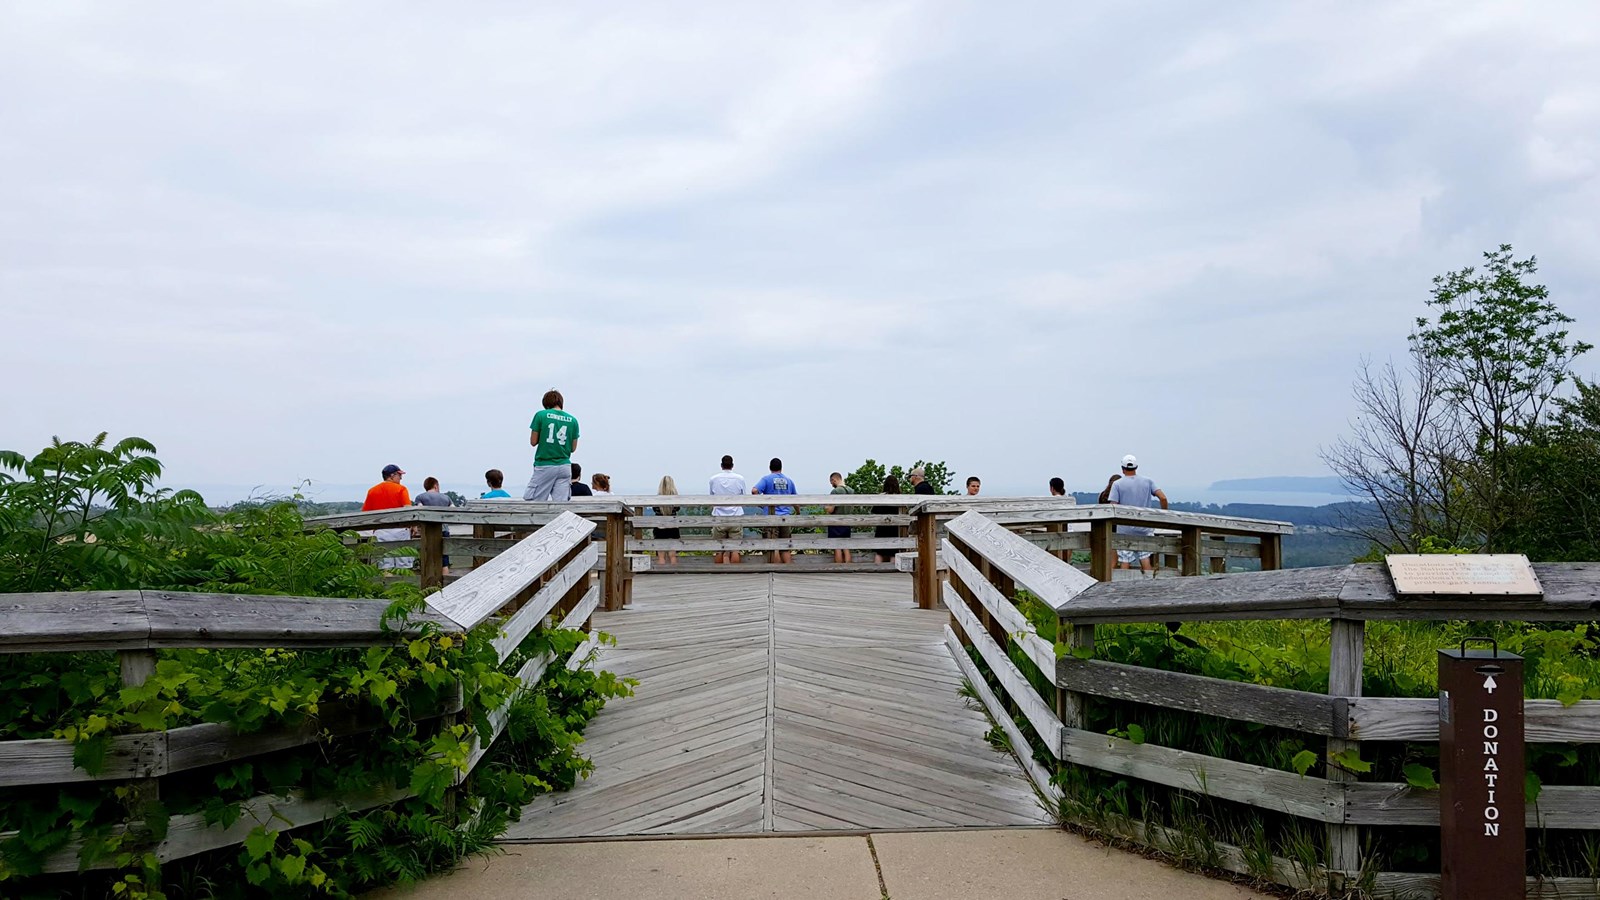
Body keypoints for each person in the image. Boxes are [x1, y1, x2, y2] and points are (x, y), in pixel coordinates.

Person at [1106, 454, 1170, 577]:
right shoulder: (1148, 481)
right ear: (1136, 467)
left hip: (1124, 529)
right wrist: (1164, 515)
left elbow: (1113, 506)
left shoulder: (1117, 484)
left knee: (1125, 559)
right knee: (1145, 557)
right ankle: (1150, 583)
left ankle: (1124, 584)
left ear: (1122, 468)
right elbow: (1163, 497)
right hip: (1144, 527)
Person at [524, 389, 579, 501]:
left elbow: (533, 441)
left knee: (534, 503)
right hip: (565, 466)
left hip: (545, 464)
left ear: (546, 403)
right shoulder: (573, 420)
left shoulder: (541, 415)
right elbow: (573, 448)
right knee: (561, 506)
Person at [362, 464, 412, 570]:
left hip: (381, 531)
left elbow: (365, 514)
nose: (401, 478)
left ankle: (386, 585)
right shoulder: (401, 489)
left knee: (384, 566)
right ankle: (403, 585)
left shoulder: (372, 491)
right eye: (399, 475)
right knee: (403, 565)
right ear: (392, 475)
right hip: (400, 530)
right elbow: (407, 510)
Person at [752, 458, 798, 564]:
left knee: (772, 547)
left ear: (770, 467)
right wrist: (797, 512)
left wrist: (761, 504)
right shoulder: (789, 481)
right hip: (785, 518)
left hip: (770, 518)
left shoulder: (766, 479)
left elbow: (754, 491)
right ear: (781, 468)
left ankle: (775, 572)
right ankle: (788, 570)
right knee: (785, 547)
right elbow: (795, 500)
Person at [709, 455, 746, 564]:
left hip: (719, 516)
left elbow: (711, 497)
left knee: (718, 550)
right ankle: (735, 574)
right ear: (732, 465)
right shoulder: (740, 479)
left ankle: (719, 573)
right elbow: (744, 497)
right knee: (735, 549)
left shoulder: (713, 479)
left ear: (721, 465)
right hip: (736, 516)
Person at [412, 477, 452, 574]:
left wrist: (415, 527)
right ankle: (445, 583)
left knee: (428, 557)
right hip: (444, 529)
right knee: (444, 559)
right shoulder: (446, 498)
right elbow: (453, 511)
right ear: (435, 485)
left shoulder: (420, 497)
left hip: (427, 531)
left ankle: (429, 583)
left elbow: (419, 511)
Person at [647, 475, 680, 566]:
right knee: (673, 555)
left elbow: (654, 509)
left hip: (660, 527)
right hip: (673, 526)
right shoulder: (676, 499)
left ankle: (661, 571)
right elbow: (677, 509)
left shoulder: (657, 499)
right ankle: (673, 572)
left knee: (661, 555)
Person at [872, 474, 901, 563]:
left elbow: (874, 511)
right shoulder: (900, 498)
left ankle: (877, 571)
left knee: (879, 552)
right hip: (895, 528)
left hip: (882, 527)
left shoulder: (880, 497)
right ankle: (893, 572)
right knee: (893, 552)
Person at [826, 471, 854, 564]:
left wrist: (826, 507)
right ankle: (848, 567)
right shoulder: (851, 491)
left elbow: (830, 509)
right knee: (846, 547)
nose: (831, 485)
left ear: (834, 480)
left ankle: (839, 568)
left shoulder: (836, 491)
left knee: (837, 546)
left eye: (831, 482)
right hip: (848, 521)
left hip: (836, 522)